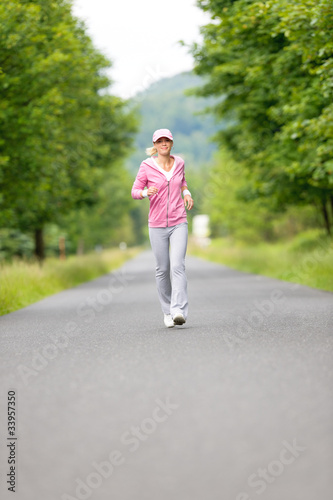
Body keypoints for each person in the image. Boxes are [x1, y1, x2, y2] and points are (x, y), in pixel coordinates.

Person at [131, 128, 194, 328]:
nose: (164, 144)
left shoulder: (180, 163)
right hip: (157, 224)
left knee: (178, 266)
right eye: (160, 141)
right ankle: (167, 311)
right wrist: (144, 192)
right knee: (162, 269)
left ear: (172, 143)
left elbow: (182, 182)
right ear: (155, 145)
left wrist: (187, 194)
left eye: (167, 140)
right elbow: (134, 191)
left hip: (178, 221)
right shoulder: (146, 166)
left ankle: (178, 310)